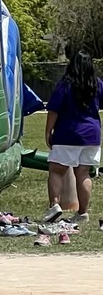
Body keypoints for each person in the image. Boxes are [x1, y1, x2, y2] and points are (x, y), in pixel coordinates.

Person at [44, 50, 103, 223]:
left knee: (56, 170)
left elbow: (54, 110)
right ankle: (82, 213)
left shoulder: (65, 84)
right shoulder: (97, 83)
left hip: (67, 133)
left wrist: (48, 131)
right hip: (92, 135)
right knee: (84, 174)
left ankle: (54, 205)